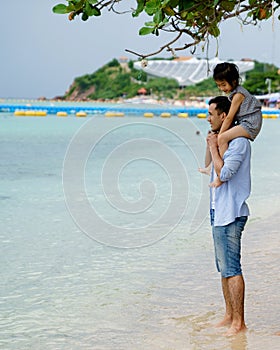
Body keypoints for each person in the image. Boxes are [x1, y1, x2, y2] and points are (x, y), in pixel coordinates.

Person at [204, 96, 251, 336]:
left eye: (211, 113)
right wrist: (212, 146)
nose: (208, 118)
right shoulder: (223, 140)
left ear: (224, 116)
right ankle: (229, 315)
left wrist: (213, 146)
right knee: (223, 268)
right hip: (218, 212)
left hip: (232, 214)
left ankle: (239, 322)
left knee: (232, 267)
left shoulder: (239, 142)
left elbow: (226, 172)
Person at [210, 62, 262, 187]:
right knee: (222, 137)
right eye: (219, 86)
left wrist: (220, 136)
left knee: (222, 138)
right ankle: (216, 168)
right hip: (246, 122)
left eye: (224, 85)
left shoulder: (239, 95)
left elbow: (229, 118)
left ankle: (222, 174)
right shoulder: (234, 94)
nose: (222, 89)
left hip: (250, 124)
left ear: (233, 81)